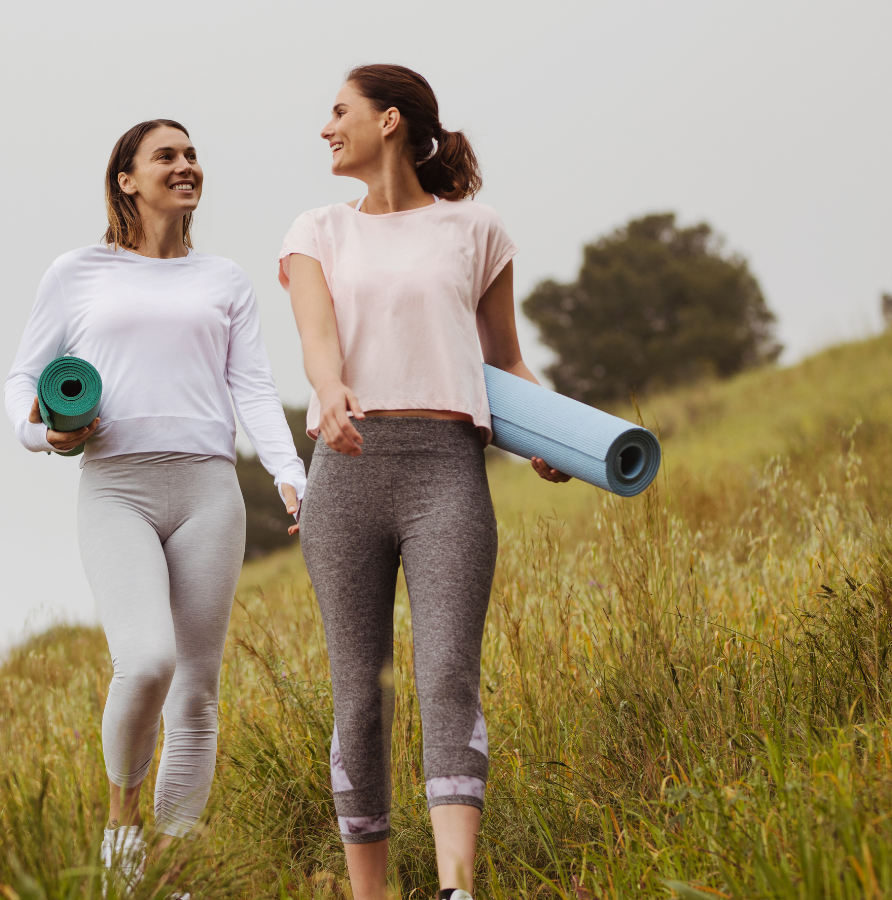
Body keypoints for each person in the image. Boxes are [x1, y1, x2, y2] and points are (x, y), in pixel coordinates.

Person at [280, 65, 569, 900]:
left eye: (340, 112)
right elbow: (316, 341)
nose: (327, 127)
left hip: (447, 473)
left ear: (391, 121)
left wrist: (550, 438)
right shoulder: (316, 230)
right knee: (360, 693)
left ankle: (455, 887)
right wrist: (330, 392)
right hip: (348, 469)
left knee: (446, 673)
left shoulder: (476, 229)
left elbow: (504, 361)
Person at [4, 118, 306, 889]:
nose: (186, 165)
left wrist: (289, 472)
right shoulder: (76, 272)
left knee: (197, 696)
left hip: (209, 488)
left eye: (192, 154)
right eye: (166, 156)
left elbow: (254, 387)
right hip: (116, 486)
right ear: (126, 180)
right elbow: (21, 380)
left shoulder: (225, 280)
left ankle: (173, 874)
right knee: (146, 662)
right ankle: (122, 829)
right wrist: (43, 436)